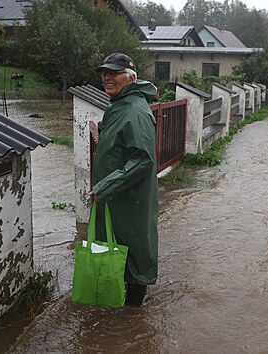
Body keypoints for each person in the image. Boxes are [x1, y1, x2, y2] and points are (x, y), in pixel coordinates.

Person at [90, 53, 159, 307]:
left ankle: (132, 317)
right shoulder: (120, 104)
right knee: (120, 250)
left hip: (130, 199)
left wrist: (106, 186)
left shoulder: (135, 111)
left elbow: (142, 159)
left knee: (134, 253)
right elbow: (123, 138)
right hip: (118, 198)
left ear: (130, 78)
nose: (107, 78)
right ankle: (121, 308)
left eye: (113, 73)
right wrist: (102, 130)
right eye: (104, 73)